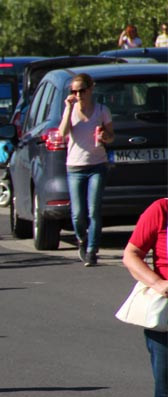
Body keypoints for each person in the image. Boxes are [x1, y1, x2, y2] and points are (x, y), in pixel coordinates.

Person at [122, 198, 168, 397]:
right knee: (167, 395)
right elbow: (131, 254)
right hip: (166, 319)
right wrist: (158, 283)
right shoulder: (161, 210)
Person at [57, 72, 114, 267]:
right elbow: (62, 133)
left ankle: (92, 250)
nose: (78, 94)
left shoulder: (101, 110)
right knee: (77, 213)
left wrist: (105, 136)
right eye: (74, 91)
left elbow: (111, 137)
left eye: (82, 90)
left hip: (97, 165)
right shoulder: (70, 111)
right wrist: (67, 108)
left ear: (90, 89)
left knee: (93, 210)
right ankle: (81, 239)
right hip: (75, 166)